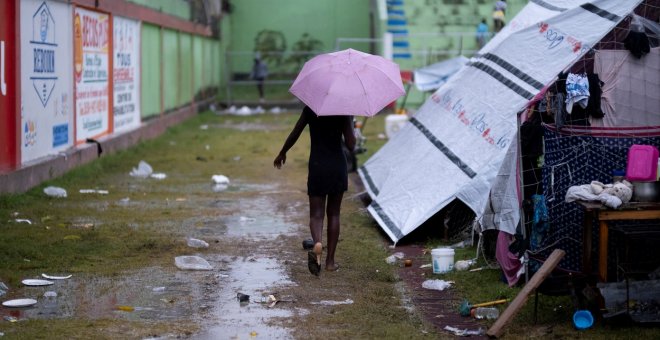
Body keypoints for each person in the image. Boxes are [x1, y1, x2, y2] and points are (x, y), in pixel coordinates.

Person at [273, 106, 356, 276]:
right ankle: (330, 262)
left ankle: (317, 242)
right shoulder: (344, 109)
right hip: (337, 166)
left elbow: (295, 132)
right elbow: (351, 144)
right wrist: (350, 121)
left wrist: (283, 152)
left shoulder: (312, 108)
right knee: (334, 214)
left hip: (317, 165)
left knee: (316, 214)